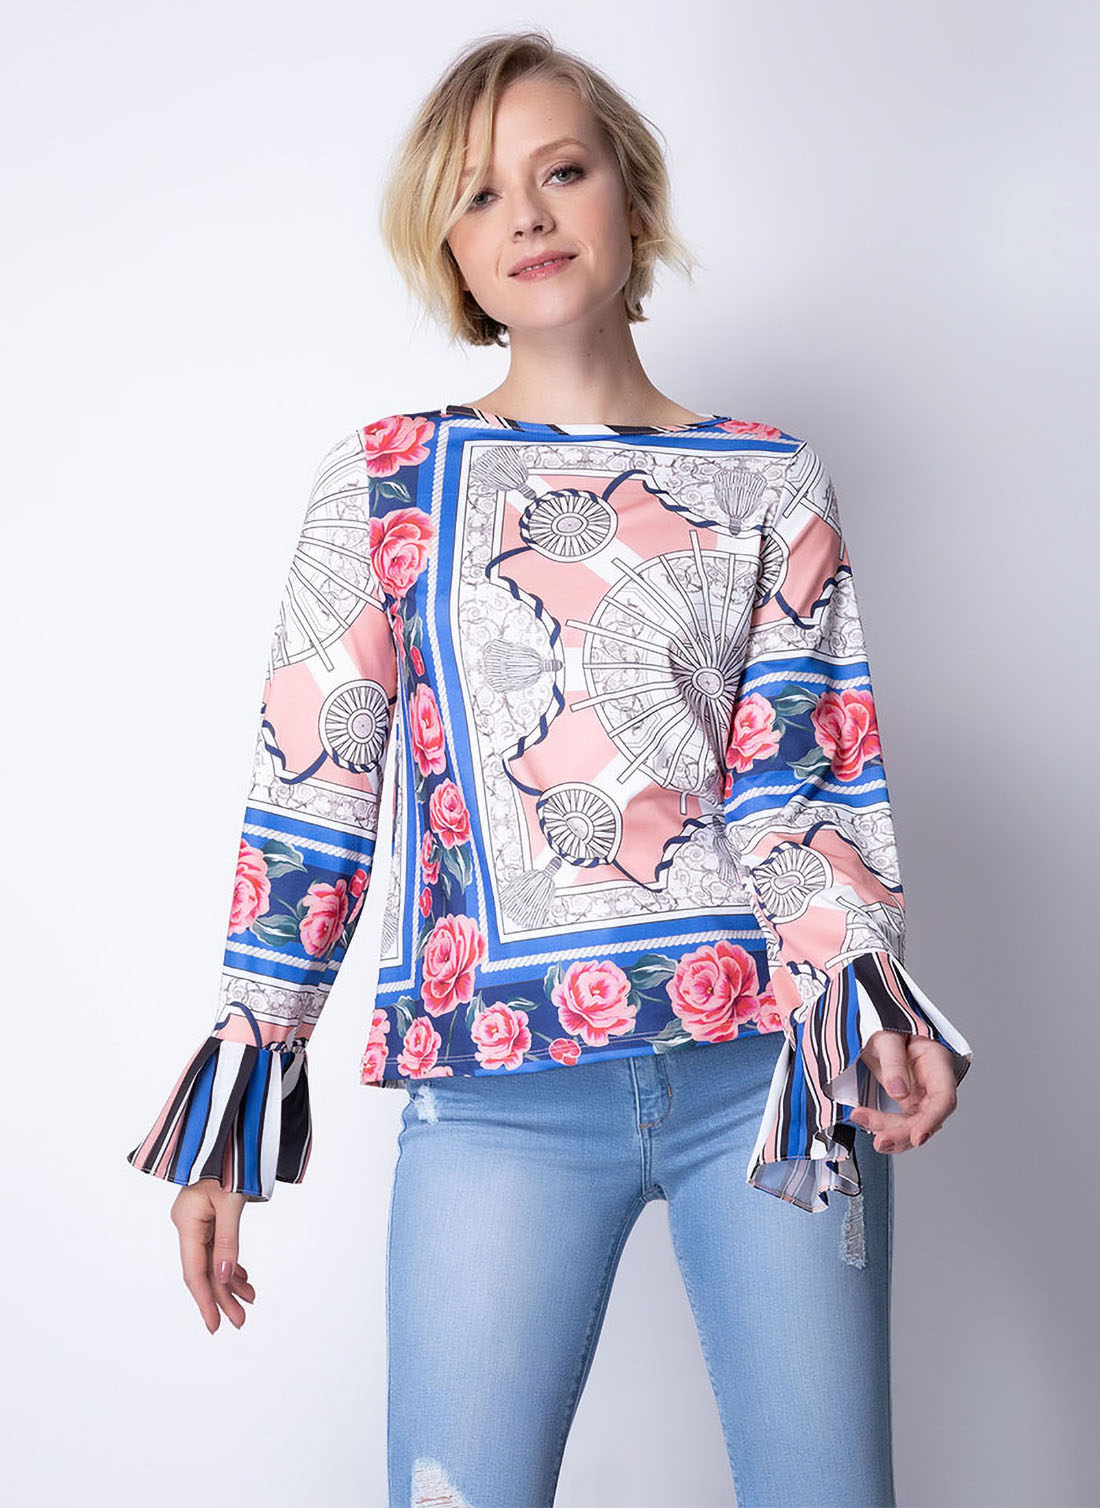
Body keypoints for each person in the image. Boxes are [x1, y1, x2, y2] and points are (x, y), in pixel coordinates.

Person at [126, 30, 974, 1508]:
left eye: (560, 171)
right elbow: (314, 791)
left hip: (768, 1072)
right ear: (450, 251)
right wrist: (237, 1101)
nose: (525, 214)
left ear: (628, 194)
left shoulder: (771, 481)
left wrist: (865, 994)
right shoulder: (387, 480)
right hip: (494, 1105)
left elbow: (799, 781)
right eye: (479, 195)